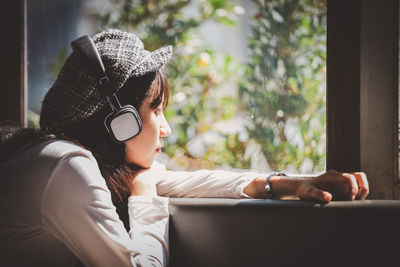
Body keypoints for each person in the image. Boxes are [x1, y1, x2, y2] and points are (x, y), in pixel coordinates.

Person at [0, 29, 369, 267]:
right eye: (156, 110)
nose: (166, 128)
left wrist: (283, 184)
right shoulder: (65, 167)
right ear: (120, 121)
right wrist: (144, 196)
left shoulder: (61, 159)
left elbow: (175, 181)